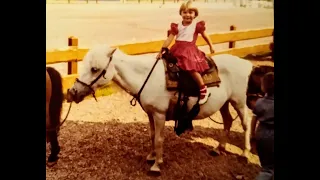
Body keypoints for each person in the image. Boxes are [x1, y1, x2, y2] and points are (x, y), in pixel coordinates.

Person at [156, 0, 215, 105]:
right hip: (177, 49)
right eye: (185, 12)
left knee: (190, 67)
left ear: (195, 14)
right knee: (168, 65)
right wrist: (161, 50)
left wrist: (211, 46)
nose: (187, 15)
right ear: (181, 13)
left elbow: (205, 36)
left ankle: (203, 88)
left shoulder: (196, 26)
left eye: (190, 12)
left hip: (189, 51)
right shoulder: (177, 26)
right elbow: (169, 39)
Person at [250, 72, 274, 180]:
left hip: (262, 134)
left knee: (267, 168)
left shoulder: (259, 102)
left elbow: (254, 120)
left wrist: (252, 136)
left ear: (263, 87)